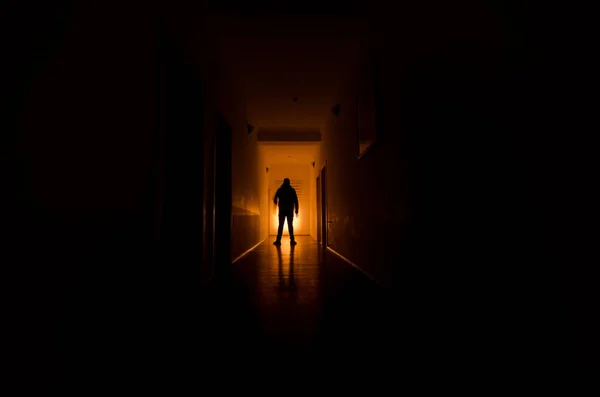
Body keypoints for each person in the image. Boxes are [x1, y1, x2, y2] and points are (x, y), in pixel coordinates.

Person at [273, 178, 299, 245]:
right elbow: (296, 200)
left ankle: (278, 241)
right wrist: (296, 210)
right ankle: (292, 241)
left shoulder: (280, 190)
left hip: (282, 210)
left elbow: (275, 199)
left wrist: (278, 204)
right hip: (290, 210)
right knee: (290, 225)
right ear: (289, 182)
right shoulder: (292, 190)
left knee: (280, 225)